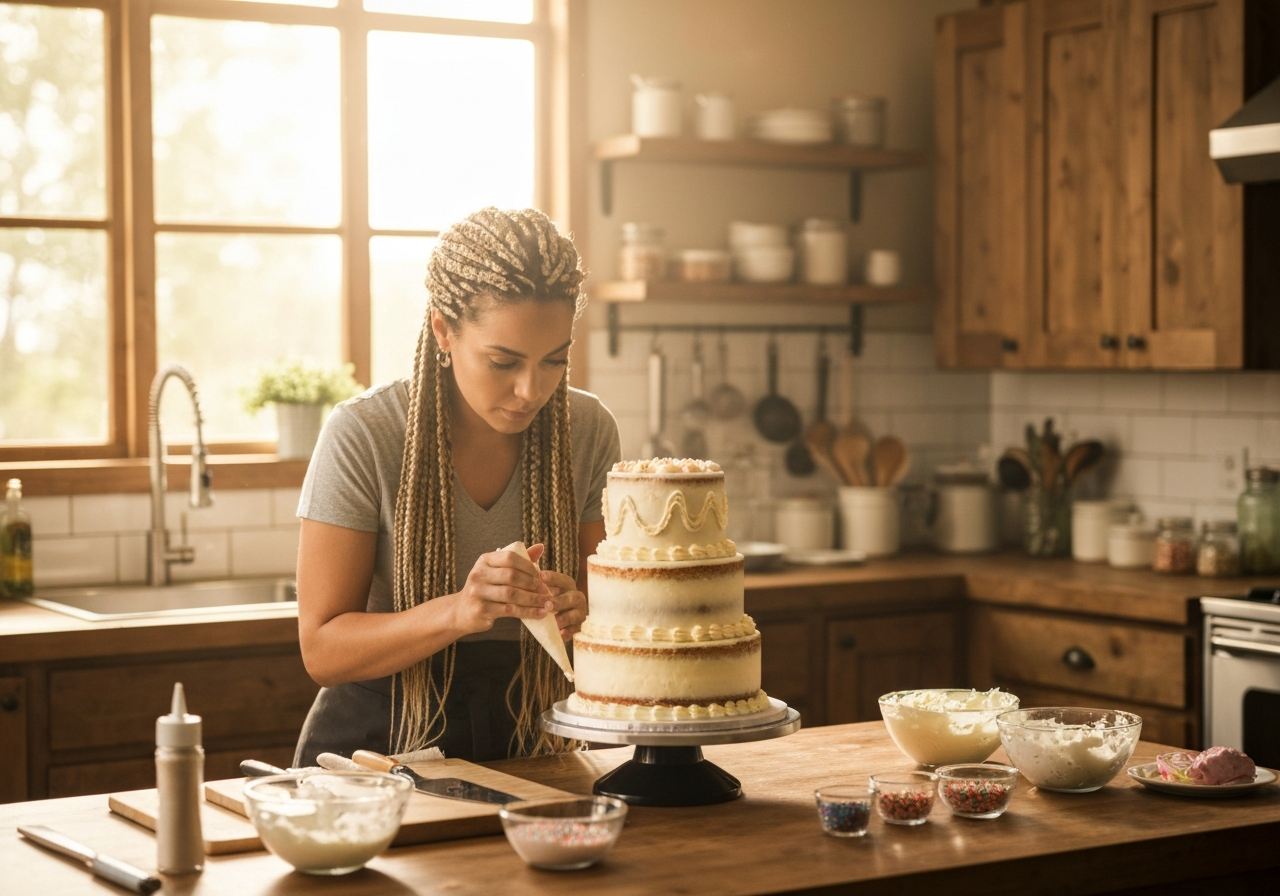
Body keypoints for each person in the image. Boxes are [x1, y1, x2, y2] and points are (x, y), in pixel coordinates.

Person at [292, 207, 620, 765]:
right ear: (443, 330)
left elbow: (609, 617)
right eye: (502, 361)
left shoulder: (586, 429)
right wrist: (461, 611)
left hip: (537, 738)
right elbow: (323, 650)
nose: (529, 390)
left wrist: (582, 613)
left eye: (554, 361)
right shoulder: (365, 433)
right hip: (378, 746)